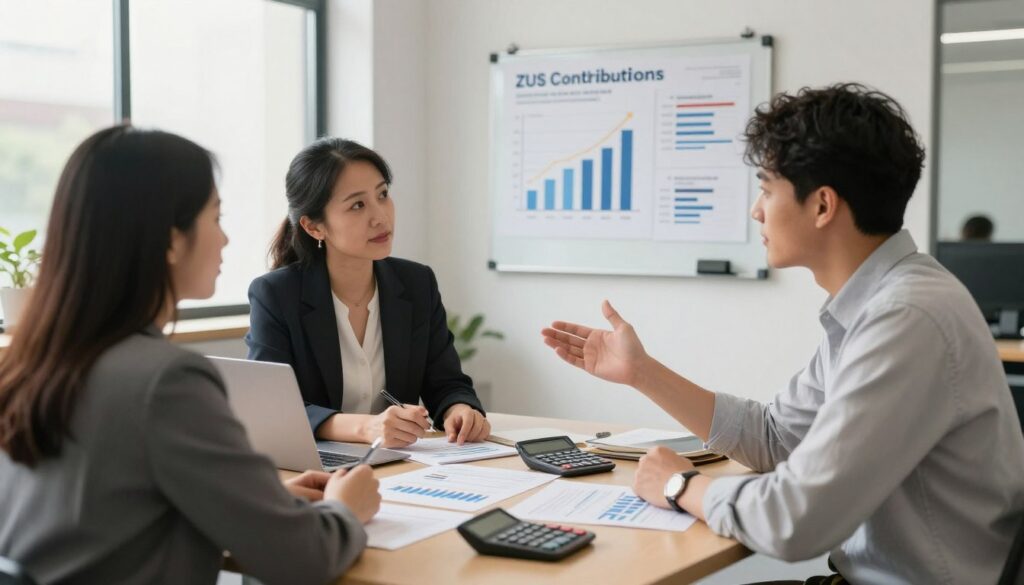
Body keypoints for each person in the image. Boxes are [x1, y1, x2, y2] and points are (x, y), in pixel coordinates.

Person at [542, 84, 1024, 584]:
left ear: (822, 206)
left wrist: (680, 486)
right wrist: (642, 373)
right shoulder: (878, 304)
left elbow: (796, 520)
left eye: (767, 190)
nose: (756, 211)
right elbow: (778, 438)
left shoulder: (906, 317)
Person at [0, 126, 381, 585]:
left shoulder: (35, 361)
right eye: (215, 218)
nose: (224, 240)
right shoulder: (166, 381)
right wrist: (345, 510)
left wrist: (265, 499)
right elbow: (305, 559)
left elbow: (113, 514)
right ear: (171, 239)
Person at [246, 138, 489, 448]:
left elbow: (447, 382)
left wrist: (460, 409)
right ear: (314, 227)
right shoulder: (276, 295)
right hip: (315, 468)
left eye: (383, 194)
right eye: (357, 205)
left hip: (400, 465)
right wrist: (365, 428)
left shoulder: (416, 283)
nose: (380, 217)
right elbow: (270, 407)